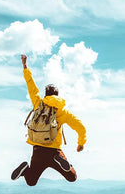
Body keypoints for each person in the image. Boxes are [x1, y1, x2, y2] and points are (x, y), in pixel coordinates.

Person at [11, 54, 86, 186]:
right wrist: (80, 143)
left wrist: (25, 67)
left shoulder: (38, 104)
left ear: (46, 95)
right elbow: (80, 127)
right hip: (54, 151)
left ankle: (24, 170)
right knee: (72, 177)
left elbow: (31, 87)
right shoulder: (62, 111)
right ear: (57, 95)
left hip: (38, 151)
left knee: (31, 181)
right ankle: (59, 160)